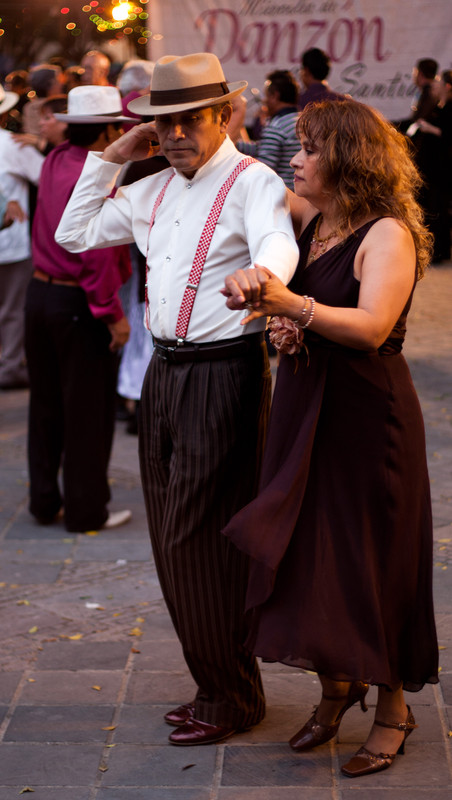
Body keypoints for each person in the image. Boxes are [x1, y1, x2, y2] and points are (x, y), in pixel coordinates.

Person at [55, 52, 299, 745]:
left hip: (225, 371)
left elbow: (278, 244)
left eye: (188, 120)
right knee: (172, 539)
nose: (174, 135)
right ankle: (219, 685)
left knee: (195, 537)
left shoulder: (253, 181)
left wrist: (262, 278)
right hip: (164, 375)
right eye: (162, 125)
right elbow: (75, 235)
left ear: (223, 115)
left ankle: (230, 694)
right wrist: (115, 158)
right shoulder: (151, 186)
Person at [222, 98, 439, 777]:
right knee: (309, 550)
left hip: (367, 417)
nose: (298, 156)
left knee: (373, 556)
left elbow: (373, 327)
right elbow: (244, 182)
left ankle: (394, 708)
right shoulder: (311, 217)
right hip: (304, 403)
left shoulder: (388, 233)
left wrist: (291, 307)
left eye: (311, 148)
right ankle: (334, 688)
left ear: (347, 158)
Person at [25, 85, 134, 533]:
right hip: (78, 303)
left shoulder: (55, 159)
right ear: (109, 128)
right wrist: (113, 315)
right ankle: (86, 510)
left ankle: (44, 501)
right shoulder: (95, 177)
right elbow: (97, 257)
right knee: (87, 410)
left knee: (46, 404)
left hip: (41, 296)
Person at [0, 83, 44, 389]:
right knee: (13, 309)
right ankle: (10, 366)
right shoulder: (13, 144)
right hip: (11, 242)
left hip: (10, 239)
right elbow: (47, 176)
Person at [232, 69, 300, 188]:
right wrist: (234, 145)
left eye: (267, 95)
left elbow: (263, 170)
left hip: (282, 195)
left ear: (275, 96)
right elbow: (265, 147)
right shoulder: (301, 120)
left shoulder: (276, 126)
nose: (264, 101)